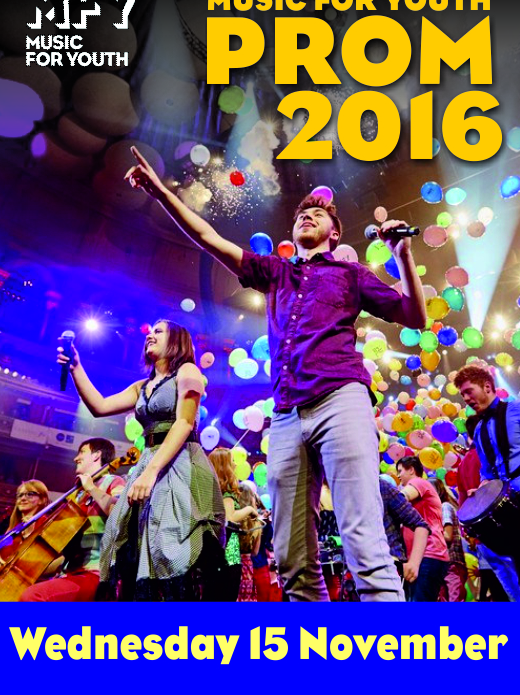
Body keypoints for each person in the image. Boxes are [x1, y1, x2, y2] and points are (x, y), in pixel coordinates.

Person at [124, 146, 426, 602]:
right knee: (291, 557)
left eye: (318, 214)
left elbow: (415, 316)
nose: (307, 216)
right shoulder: (275, 272)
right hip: (285, 414)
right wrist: (162, 193)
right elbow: (207, 237)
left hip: (341, 398)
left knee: (363, 538)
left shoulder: (351, 273)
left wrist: (402, 255)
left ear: (334, 232)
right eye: (302, 213)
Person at [57, 320, 226, 601]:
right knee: (136, 543)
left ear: (177, 341)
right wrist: (76, 367)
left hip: (180, 463)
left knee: (171, 545)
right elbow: (99, 406)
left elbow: (185, 422)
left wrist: (150, 472)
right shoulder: (141, 387)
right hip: (149, 461)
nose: (150, 335)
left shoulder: (188, 371)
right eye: (150, 331)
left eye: (159, 331)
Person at [19, 439, 125, 602]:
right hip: (70, 572)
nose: (76, 458)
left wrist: (91, 488)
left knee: (33, 596)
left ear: (97, 455)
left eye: (82, 452)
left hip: (97, 573)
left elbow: (120, 514)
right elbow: (63, 552)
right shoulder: (76, 495)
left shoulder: (114, 481)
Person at [454, 364, 520, 577]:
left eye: (469, 391)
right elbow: (487, 473)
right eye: (463, 394)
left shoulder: (516, 409)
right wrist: (482, 492)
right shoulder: (479, 430)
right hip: (509, 511)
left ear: (487, 386)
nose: (466, 398)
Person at [396, 456, 449, 601]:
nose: (398, 476)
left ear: (411, 470)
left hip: (429, 553)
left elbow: (401, 497)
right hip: (425, 556)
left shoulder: (418, 482)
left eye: (400, 471)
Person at [208, 447, 258, 601]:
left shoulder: (211, 491)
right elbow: (230, 518)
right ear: (225, 466)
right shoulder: (226, 492)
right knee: (228, 593)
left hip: (214, 551)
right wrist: (250, 510)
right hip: (229, 551)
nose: (236, 465)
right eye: (232, 461)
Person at [379, 477, 430, 587]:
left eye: (401, 470)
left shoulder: (381, 487)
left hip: (388, 566)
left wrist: (414, 563)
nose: (399, 475)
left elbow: (420, 524)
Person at [430, 478, 468, 602]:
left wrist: (428, 532)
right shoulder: (436, 511)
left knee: (454, 598)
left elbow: (447, 535)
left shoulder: (444, 507)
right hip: (441, 563)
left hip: (452, 561)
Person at [236, 482, 262, 602]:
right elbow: (255, 552)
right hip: (247, 569)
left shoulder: (232, 520)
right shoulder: (257, 523)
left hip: (232, 565)